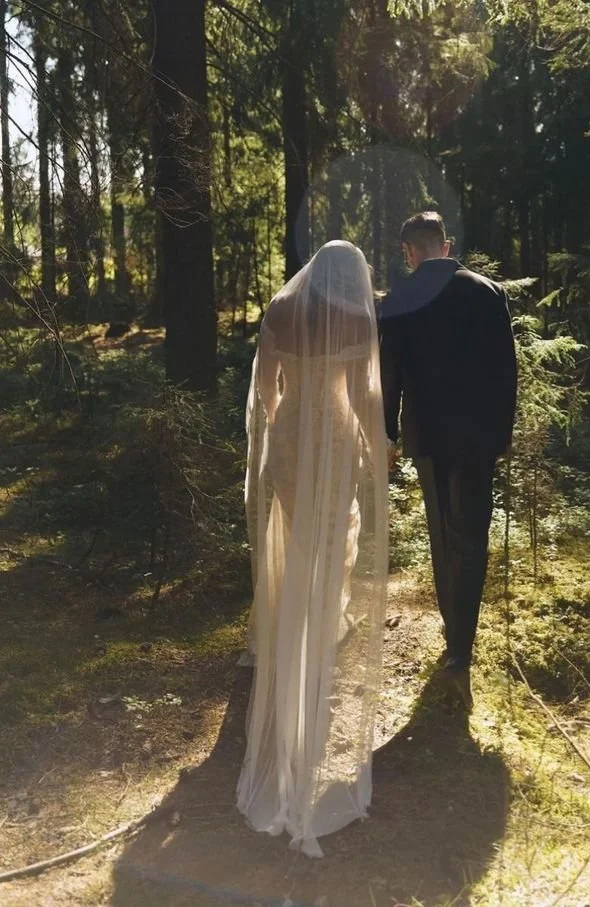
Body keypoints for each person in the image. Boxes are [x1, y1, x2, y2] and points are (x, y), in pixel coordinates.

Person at [237, 241, 389, 858]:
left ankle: (291, 625)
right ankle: (319, 628)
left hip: (291, 440)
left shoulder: (279, 309)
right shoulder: (356, 317)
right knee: (334, 541)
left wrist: (284, 421)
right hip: (328, 440)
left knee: (296, 540)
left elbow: (266, 393)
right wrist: (376, 449)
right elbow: (362, 397)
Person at [379, 212, 517, 710]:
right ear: (447, 243)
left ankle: (452, 640)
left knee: (443, 537)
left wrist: (388, 431)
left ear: (409, 251)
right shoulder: (488, 292)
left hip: (430, 437)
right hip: (479, 436)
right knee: (473, 538)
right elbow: (507, 370)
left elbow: (389, 375)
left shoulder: (399, 300)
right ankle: (463, 648)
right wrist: (502, 435)